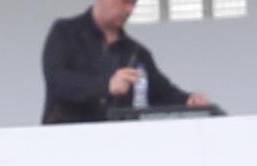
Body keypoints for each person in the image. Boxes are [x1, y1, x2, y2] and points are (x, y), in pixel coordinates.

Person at [42, 0, 214, 123]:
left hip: (117, 146)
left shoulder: (136, 52)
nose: (129, 9)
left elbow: (160, 92)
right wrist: (106, 87)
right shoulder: (65, 32)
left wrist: (188, 100)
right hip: (64, 141)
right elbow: (57, 80)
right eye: (125, 2)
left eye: (134, 4)